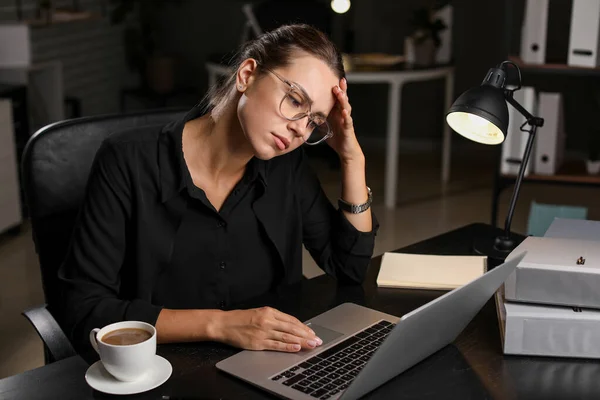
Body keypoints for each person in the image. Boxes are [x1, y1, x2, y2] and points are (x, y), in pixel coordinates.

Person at [58, 24, 378, 355]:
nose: (300, 128)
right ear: (247, 75)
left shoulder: (288, 166)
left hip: (264, 364)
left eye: (314, 121)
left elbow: (349, 268)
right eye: (295, 100)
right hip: (161, 369)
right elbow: (85, 310)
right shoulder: (127, 161)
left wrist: (351, 158)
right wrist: (221, 325)